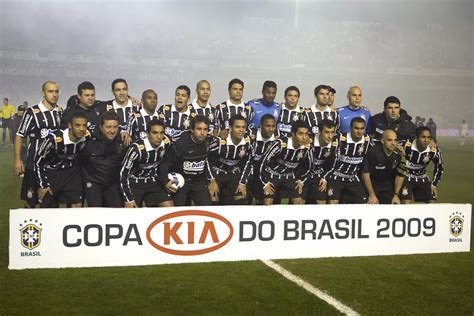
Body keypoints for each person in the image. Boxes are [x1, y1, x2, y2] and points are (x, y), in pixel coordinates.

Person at [14, 81, 63, 207]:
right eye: (50, 91)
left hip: (52, 166)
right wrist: (18, 160)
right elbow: (20, 135)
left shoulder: (60, 111)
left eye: (56, 91)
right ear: (43, 93)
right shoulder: (32, 112)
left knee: (50, 203)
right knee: (31, 202)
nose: (54, 94)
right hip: (34, 165)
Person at [34, 113, 90, 208]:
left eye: (84, 125)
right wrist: (43, 185)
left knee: (77, 205)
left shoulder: (87, 136)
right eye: (77, 125)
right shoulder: (54, 139)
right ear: (69, 125)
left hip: (72, 173)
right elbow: (38, 162)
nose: (81, 129)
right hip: (52, 173)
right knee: (49, 209)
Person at [158, 115, 213, 206]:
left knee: (206, 207)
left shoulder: (209, 142)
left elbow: (209, 161)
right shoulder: (180, 145)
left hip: (198, 181)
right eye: (199, 129)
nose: (202, 132)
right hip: (181, 180)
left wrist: (212, 180)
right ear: (192, 130)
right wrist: (165, 181)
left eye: (205, 129)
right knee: (180, 209)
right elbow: (165, 163)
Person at [120, 119, 173, 207]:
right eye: (155, 133)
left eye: (161, 133)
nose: (159, 137)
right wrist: (128, 199)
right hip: (134, 183)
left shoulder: (166, 143)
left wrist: (165, 180)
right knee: (132, 212)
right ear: (147, 134)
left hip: (153, 181)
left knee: (169, 207)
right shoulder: (137, 149)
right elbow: (123, 173)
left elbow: (165, 162)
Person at [80, 111, 128, 207]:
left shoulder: (124, 141)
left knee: (117, 211)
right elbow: (81, 161)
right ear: (101, 127)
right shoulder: (89, 141)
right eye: (108, 127)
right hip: (93, 183)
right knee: (96, 211)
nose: (112, 131)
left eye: (115, 127)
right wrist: (87, 180)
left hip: (112, 183)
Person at [260, 120, 312, 205]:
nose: (304, 137)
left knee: (299, 203)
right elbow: (262, 162)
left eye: (306, 134)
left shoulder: (307, 147)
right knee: (268, 204)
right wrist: (264, 182)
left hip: (289, 177)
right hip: (272, 175)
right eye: (300, 134)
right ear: (293, 134)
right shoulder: (280, 144)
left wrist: (301, 179)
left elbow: (309, 167)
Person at [326, 117, 372, 204]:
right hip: (336, 177)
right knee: (333, 202)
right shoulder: (339, 138)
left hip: (352, 178)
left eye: (362, 128)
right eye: (356, 128)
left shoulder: (368, 140)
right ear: (350, 128)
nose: (359, 131)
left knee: (364, 202)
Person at [208, 114, 252, 205]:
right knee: (213, 195)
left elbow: (248, 162)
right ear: (230, 128)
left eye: (243, 127)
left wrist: (242, 183)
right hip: (217, 174)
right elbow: (206, 159)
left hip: (233, 173)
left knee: (242, 197)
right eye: (237, 127)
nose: (241, 130)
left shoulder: (248, 142)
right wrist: (211, 180)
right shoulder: (219, 142)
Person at [400, 127, 443, 203]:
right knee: (406, 203)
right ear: (416, 138)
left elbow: (439, 168)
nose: (426, 140)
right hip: (406, 178)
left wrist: (434, 184)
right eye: (423, 137)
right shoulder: (406, 145)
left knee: (432, 203)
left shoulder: (434, 150)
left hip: (422, 178)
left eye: (428, 137)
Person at [362, 129, 406, 204]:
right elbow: (365, 174)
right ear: (382, 141)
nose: (393, 143)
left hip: (387, 185)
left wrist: (396, 195)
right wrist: (372, 194)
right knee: (367, 203)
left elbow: (400, 175)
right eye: (389, 140)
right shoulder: (373, 152)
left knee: (392, 204)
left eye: (395, 140)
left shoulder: (399, 154)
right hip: (371, 184)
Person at [305, 119, 337, 204]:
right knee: (299, 201)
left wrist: (325, 177)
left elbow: (332, 164)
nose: (330, 136)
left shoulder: (335, 144)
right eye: (326, 132)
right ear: (319, 131)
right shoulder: (308, 141)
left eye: (332, 132)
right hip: (302, 173)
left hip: (318, 174)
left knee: (322, 201)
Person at [248, 114, 277, 205]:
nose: (271, 129)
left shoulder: (278, 136)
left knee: (263, 202)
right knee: (244, 201)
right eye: (267, 126)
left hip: (265, 174)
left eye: (273, 126)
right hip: (249, 173)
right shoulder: (250, 134)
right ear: (260, 125)